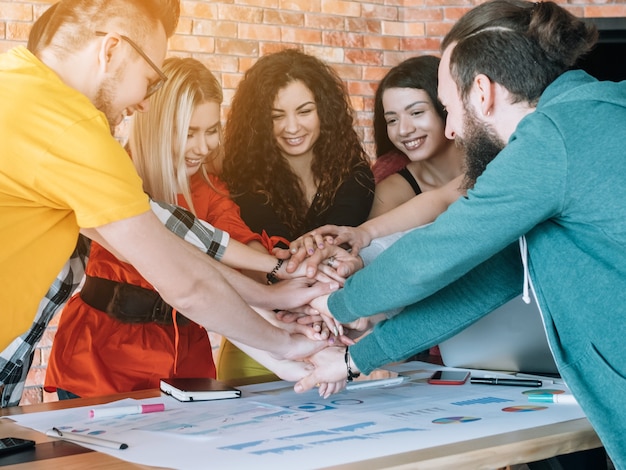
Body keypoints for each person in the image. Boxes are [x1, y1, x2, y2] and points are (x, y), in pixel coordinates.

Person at [293, 1, 626, 467]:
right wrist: (354, 360)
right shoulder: (596, 111)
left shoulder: (551, 139)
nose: (451, 129)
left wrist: (336, 303)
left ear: (484, 92)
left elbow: (435, 252)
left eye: (448, 109)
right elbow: (491, 278)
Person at [0, 0, 338, 393]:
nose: (145, 102)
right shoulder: (70, 129)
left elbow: (164, 246)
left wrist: (270, 294)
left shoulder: (17, 88)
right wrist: (289, 344)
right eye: (150, 78)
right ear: (111, 50)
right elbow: (186, 284)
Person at [218, 48, 375, 381]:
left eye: (305, 111)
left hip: (341, 340)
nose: (292, 127)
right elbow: (264, 263)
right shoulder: (239, 180)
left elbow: (338, 250)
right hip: (264, 342)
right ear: (259, 120)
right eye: (276, 116)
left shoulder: (355, 175)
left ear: (325, 112)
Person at [368, 55, 464, 219]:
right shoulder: (389, 192)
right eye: (392, 120)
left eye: (416, 112)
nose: (403, 130)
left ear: (446, 107)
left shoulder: (498, 160)